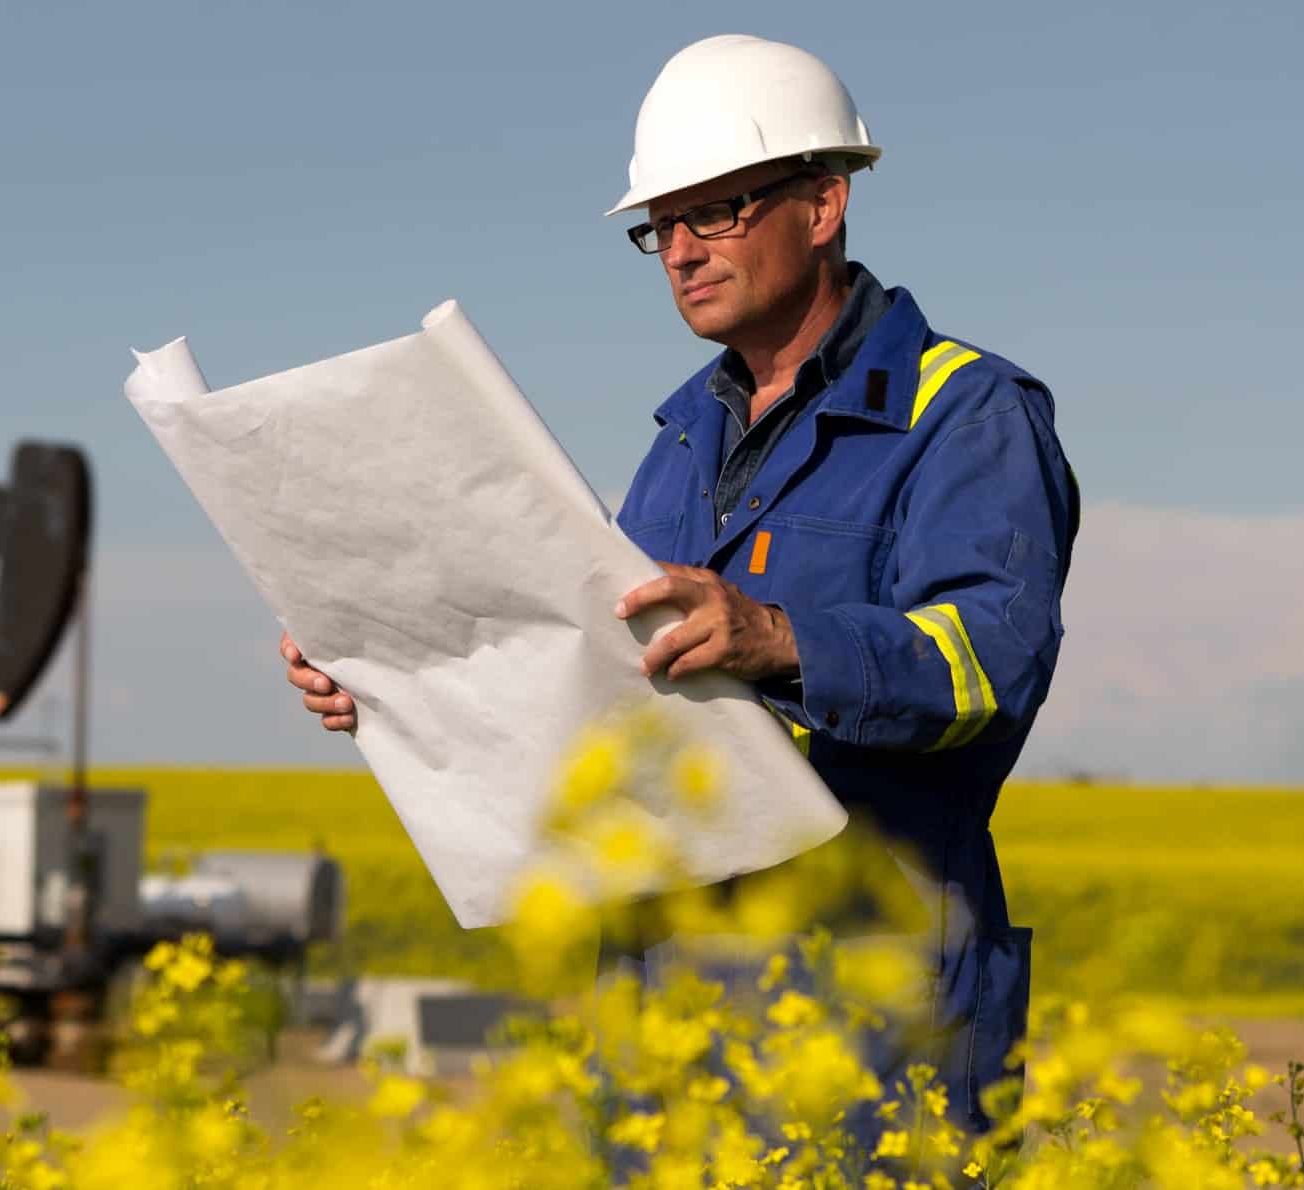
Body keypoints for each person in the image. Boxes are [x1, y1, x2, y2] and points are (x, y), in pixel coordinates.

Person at [279, 33, 1078, 1134]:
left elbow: (991, 659)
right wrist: (385, 672)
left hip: (870, 1007)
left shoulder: (964, 413)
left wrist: (781, 638)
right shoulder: (680, 440)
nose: (682, 251)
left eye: (718, 210)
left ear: (825, 201)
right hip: (658, 1008)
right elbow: (589, 677)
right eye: (662, 226)